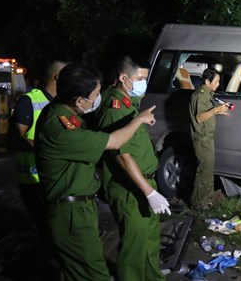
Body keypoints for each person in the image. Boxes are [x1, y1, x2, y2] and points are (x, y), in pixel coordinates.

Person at [34, 63, 156, 281]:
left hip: (77, 207)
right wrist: (138, 120)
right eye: (96, 94)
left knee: (77, 271)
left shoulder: (65, 113)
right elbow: (115, 142)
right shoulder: (59, 128)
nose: (100, 99)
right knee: (94, 274)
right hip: (71, 212)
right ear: (79, 101)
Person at [95, 55, 169, 281]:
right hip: (129, 187)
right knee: (134, 248)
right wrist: (149, 192)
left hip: (145, 182)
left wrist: (143, 117)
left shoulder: (129, 101)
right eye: (139, 79)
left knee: (150, 242)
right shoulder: (113, 107)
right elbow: (122, 156)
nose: (143, 84)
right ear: (123, 78)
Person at [11, 59, 67, 231]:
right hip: (33, 179)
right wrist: (50, 151)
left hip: (56, 176)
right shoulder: (28, 101)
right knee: (46, 227)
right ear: (57, 77)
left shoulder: (62, 102)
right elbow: (19, 137)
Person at [189, 68, 229, 209]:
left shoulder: (207, 94)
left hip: (207, 137)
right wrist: (216, 110)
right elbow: (199, 118)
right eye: (216, 81)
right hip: (202, 138)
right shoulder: (200, 96)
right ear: (207, 81)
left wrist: (218, 112)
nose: (218, 84)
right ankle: (198, 202)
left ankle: (207, 198)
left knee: (208, 169)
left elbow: (206, 114)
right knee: (204, 170)